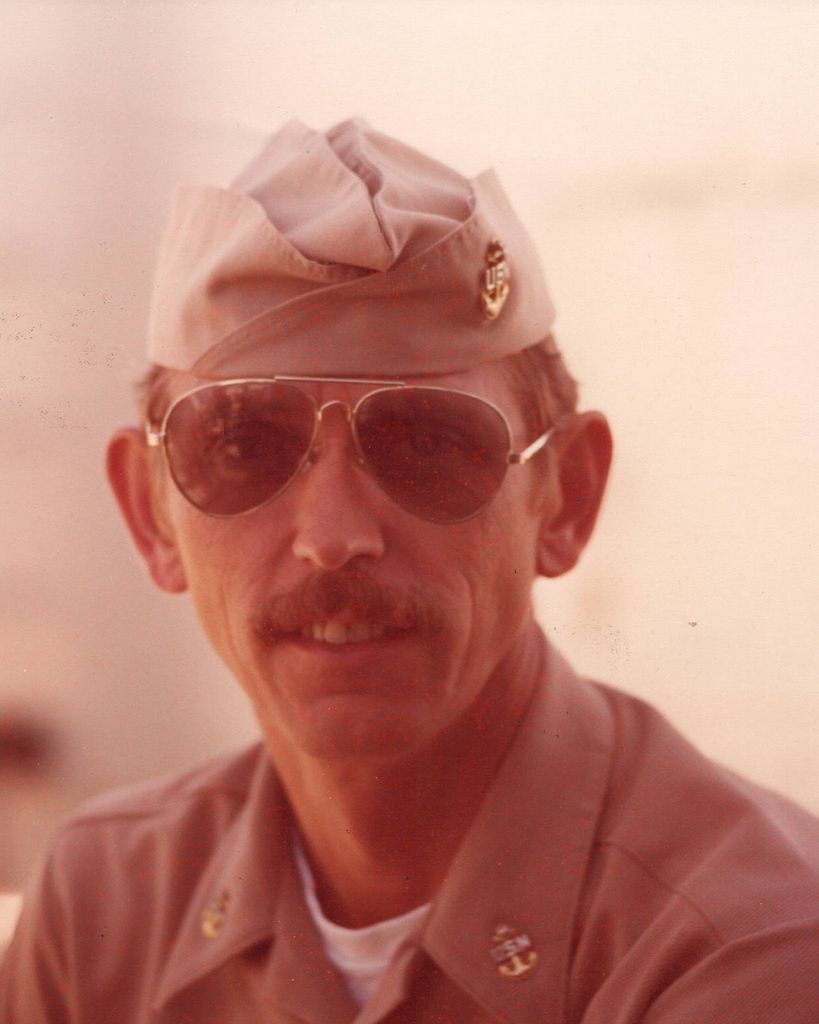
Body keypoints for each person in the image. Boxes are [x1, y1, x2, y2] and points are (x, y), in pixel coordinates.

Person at [1, 118, 817, 1023]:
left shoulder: (748, 943)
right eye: (241, 447)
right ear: (149, 515)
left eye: (427, 444)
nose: (333, 537)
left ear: (566, 498)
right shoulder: (107, 905)